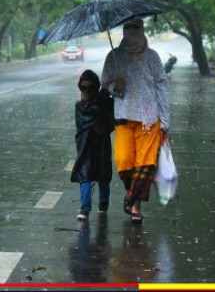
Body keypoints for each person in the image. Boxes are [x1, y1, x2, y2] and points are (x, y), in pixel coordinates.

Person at [101, 18, 170, 224]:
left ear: (142, 29)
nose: (131, 31)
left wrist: (165, 121)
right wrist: (115, 86)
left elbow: (162, 87)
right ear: (123, 30)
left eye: (135, 27)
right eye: (127, 27)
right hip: (123, 117)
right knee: (124, 161)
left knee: (145, 164)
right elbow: (105, 83)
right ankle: (131, 193)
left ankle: (135, 205)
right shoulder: (114, 57)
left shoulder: (152, 57)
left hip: (149, 119)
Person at [71, 69, 114, 221]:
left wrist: (103, 98)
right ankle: (85, 208)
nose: (87, 91)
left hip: (102, 145)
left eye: (91, 87)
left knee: (103, 175)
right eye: (83, 87)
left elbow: (107, 124)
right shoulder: (80, 107)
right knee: (85, 175)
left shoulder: (106, 103)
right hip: (85, 146)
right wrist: (101, 99)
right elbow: (92, 116)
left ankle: (104, 201)